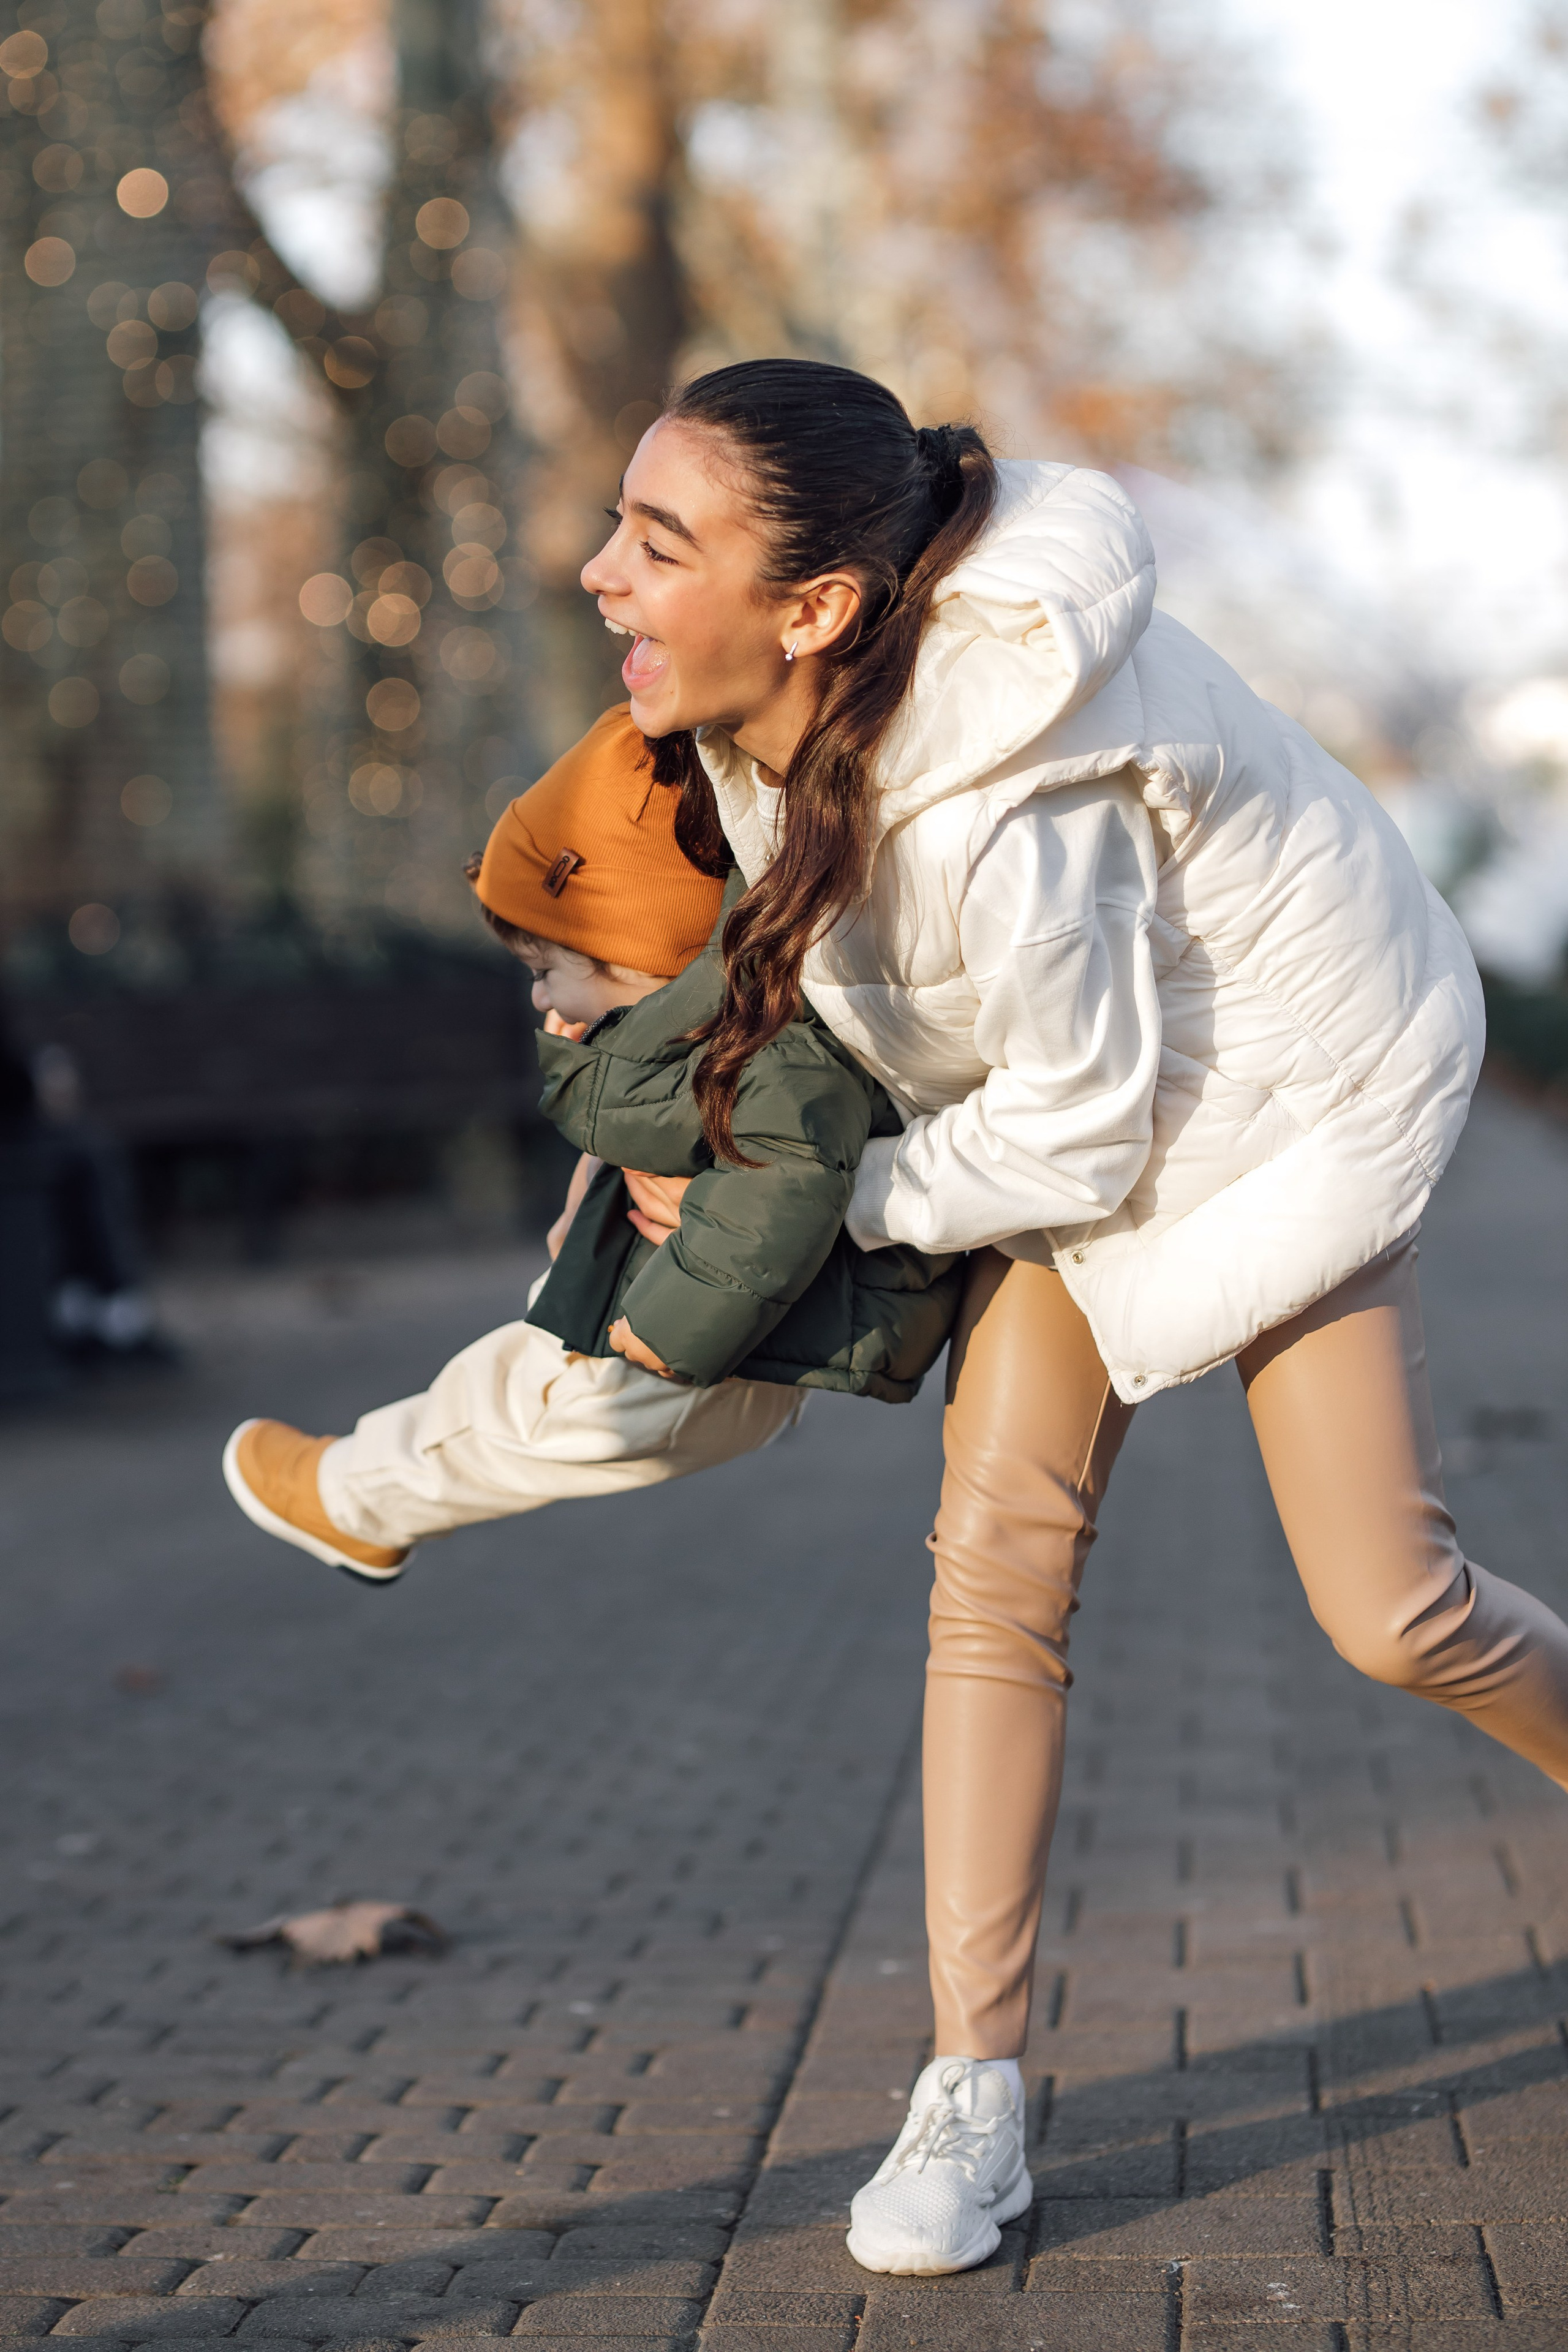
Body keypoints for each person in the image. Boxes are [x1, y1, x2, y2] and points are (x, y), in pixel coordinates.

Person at [572, 355, 1568, 2278]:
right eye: (625, 521)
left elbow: (1082, 1109)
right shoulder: (778, 706)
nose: (600, 569)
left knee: (1395, 1611)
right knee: (995, 1571)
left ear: (817, 605)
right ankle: (975, 2090)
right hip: (1058, 1115)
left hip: (1282, 1113)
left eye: (653, 538)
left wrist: (812, 1201)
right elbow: (883, 1005)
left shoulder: (1006, 792)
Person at [221, 707, 959, 1583]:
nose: (541, 1002)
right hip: (706, 1334)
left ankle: (355, 1497)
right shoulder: (692, 1025)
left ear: (635, 950)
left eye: (547, 971)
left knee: (523, 1409)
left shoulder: (771, 1052)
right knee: (523, 1383)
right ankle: (361, 1492)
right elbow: (648, 1128)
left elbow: (785, 1181)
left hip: (698, 1352)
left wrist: (671, 1322)